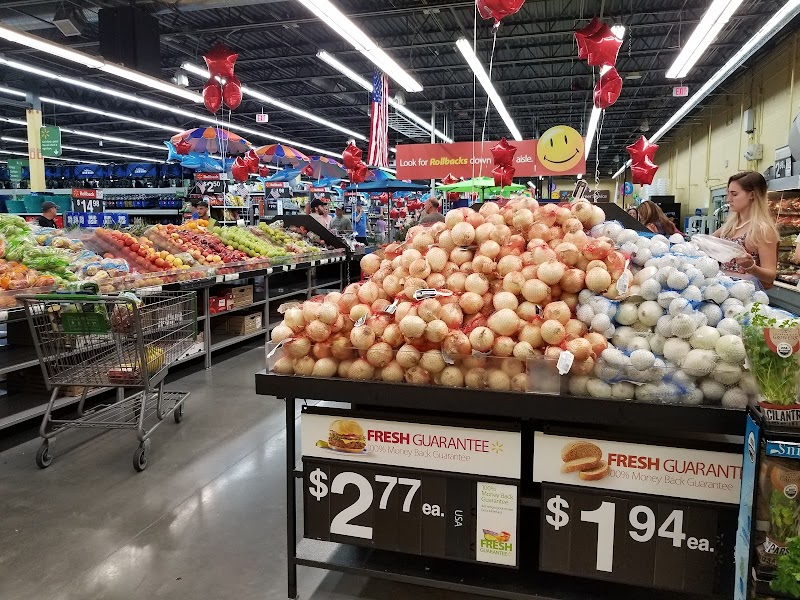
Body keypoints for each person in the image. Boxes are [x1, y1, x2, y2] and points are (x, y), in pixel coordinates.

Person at [713, 171, 778, 288]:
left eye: (734, 194)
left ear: (752, 195)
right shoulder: (729, 226)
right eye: (728, 193)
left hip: (748, 294)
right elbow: (706, 243)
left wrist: (751, 267)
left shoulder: (762, 230)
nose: (728, 199)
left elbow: (770, 276)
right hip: (722, 291)